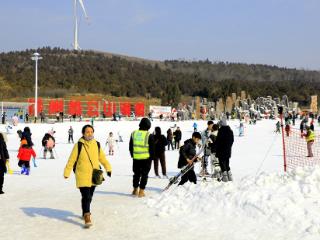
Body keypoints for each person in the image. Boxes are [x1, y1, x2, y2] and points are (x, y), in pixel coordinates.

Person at [64, 125, 112, 228]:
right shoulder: (79, 145)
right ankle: (87, 215)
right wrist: (67, 172)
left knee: (89, 197)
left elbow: (102, 158)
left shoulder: (97, 144)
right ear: (83, 133)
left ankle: (84, 210)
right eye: (87, 132)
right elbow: (71, 159)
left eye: (91, 132)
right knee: (86, 196)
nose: (89, 134)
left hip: (94, 175)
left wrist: (108, 168)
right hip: (82, 174)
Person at [129, 118, 155, 197]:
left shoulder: (133, 133)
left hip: (136, 158)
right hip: (146, 159)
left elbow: (130, 146)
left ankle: (135, 190)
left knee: (136, 174)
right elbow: (152, 148)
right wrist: (152, 158)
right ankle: (141, 191)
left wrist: (133, 155)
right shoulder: (148, 135)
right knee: (144, 175)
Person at [216, 117, 234, 182]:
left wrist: (213, 146)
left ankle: (225, 178)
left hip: (221, 151)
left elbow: (218, 142)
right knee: (227, 163)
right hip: (228, 151)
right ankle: (230, 177)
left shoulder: (221, 131)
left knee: (222, 163)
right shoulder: (230, 131)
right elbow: (232, 140)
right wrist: (228, 147)